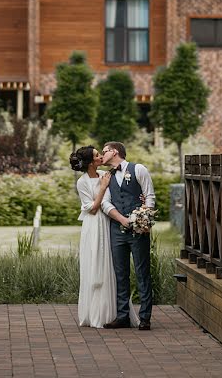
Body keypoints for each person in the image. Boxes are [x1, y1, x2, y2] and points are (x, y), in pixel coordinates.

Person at [71, 145, 140, 328]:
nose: (101, 156)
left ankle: (114, 312)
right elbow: (92, 209)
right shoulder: (83, 182)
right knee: (95, 266)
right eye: (96, 155)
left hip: (109, 223)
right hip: (94, 227)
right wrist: (102, 188)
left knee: (110, 266)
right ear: (90, 162)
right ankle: (95, 314)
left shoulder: (105, 174)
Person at [100, 141, 155, 330]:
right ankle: (122, 316)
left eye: (104, 151)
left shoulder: (138, 169)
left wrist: (144, 220)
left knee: (142, 272)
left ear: (114, 152)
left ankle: (145, 317)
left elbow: (149, 196)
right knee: (120, 274)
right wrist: (122, 220)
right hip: (117, 231)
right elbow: (105, 204)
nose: (101, 155)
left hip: (139, 230)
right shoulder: (106, 177)